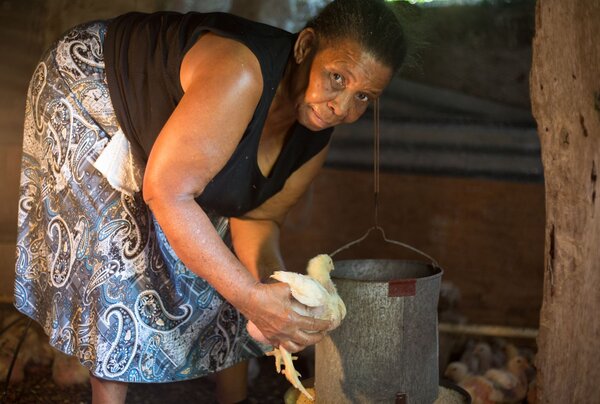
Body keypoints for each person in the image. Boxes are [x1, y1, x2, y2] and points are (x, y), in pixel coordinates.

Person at [14, 0, 406, 402]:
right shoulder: (240, 73)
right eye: (337, 77)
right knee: (121, 256)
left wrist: (275, 289)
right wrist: (250, 298)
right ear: (306, 47)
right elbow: (167, 193)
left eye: (364, 97)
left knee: (225, 263)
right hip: (93, 86)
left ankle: (232, 399)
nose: (342, 106)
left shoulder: (316, 131)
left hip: (169, 139)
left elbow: (258, 217)